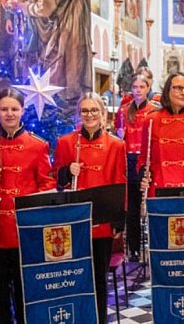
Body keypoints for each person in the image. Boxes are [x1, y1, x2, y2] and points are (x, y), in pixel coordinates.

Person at [0, 88, 56, 324]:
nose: (9, 113)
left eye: (14, 109)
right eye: (4, 109)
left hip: (23, 230)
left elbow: (46, 184)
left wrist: (34, 212)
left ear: (22, 111)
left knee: (24, 289)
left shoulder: (37, 145)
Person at [53, 93, 126, 323]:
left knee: (98, 279)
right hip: (74, 221)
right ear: (79, 114)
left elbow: (120, 184)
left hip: (102, 223)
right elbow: (55, 179)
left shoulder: (116, 145)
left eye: (94, 110)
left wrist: (118, 219)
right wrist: (67, 171)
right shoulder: (66, 142)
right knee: (75, 277)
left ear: (102, 113)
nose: (90, 115)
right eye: (85, 110)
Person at [5, 0, 91, 99]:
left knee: (68, 50)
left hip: (72, 10)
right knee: (56, 51)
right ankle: (60, 91)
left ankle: (70, 92)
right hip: (62, 14)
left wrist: (24, 6)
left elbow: (45, 9)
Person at [139, 72, 184, 198]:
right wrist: (143, 176)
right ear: (167, 91)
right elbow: (143, 159)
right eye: (178, 88)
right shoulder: (151, 119)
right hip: (159, 188)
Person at [114, 74, 160, 260]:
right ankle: (133, 249)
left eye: (142, 86)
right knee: (132, 207)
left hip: (147, 161)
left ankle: (155, 247)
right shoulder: (124, 110)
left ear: (148, 88)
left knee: (150, 203)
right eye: (135, 86)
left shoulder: (154, 110)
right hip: (129, 160)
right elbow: (118, 135)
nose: (138, 90)